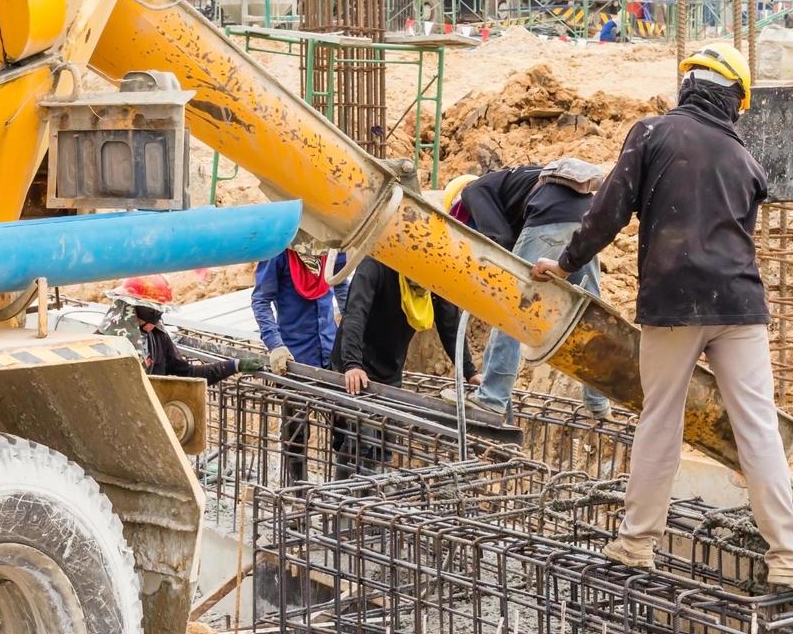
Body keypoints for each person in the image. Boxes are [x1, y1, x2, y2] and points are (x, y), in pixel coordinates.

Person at [531, 42, 793, 590]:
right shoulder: (746, 161)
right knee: (758, 428)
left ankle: (636, 542)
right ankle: (790, 560)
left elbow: (609, 209)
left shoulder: (652, 134)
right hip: (740, 307)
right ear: (734, 99)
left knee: (661, 420)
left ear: (688, 86)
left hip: (673, 304)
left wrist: (567, 263)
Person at [444, 161, 610, 420]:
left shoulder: (472, 191)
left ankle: (492, 397)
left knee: (511, 308)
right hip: (585, 218)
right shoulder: (514, 183)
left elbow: (502, 240)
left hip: (549, 215)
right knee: (588, 313)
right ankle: (598, 401)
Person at [331, 258, 478, 476]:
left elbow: (450, 325)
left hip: (390, 370)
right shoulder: (376, 265)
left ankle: (367, 499)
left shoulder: (431, 278)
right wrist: (352, 364)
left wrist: (470, 372)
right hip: (356, 366)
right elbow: (355, 313)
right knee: (361, 440)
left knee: (384, 445)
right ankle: (339, 502)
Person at [251, 246, 348, 482]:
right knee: (296, 431)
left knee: (346, 428)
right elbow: (261, 300)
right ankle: (298, 492)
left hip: (330, 352)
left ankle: (343, 491)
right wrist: (275, 344)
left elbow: (343, 286)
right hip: (295, 359)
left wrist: (353, 329)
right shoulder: (279, 252)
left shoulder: (331, 249)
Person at [100, 275, 264, 383]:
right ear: (129, 310)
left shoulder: (157, 338)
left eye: (159, 313)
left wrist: (234, 365)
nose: (154, 322)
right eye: (150, 313)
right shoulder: (101, 345)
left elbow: (189, 373)